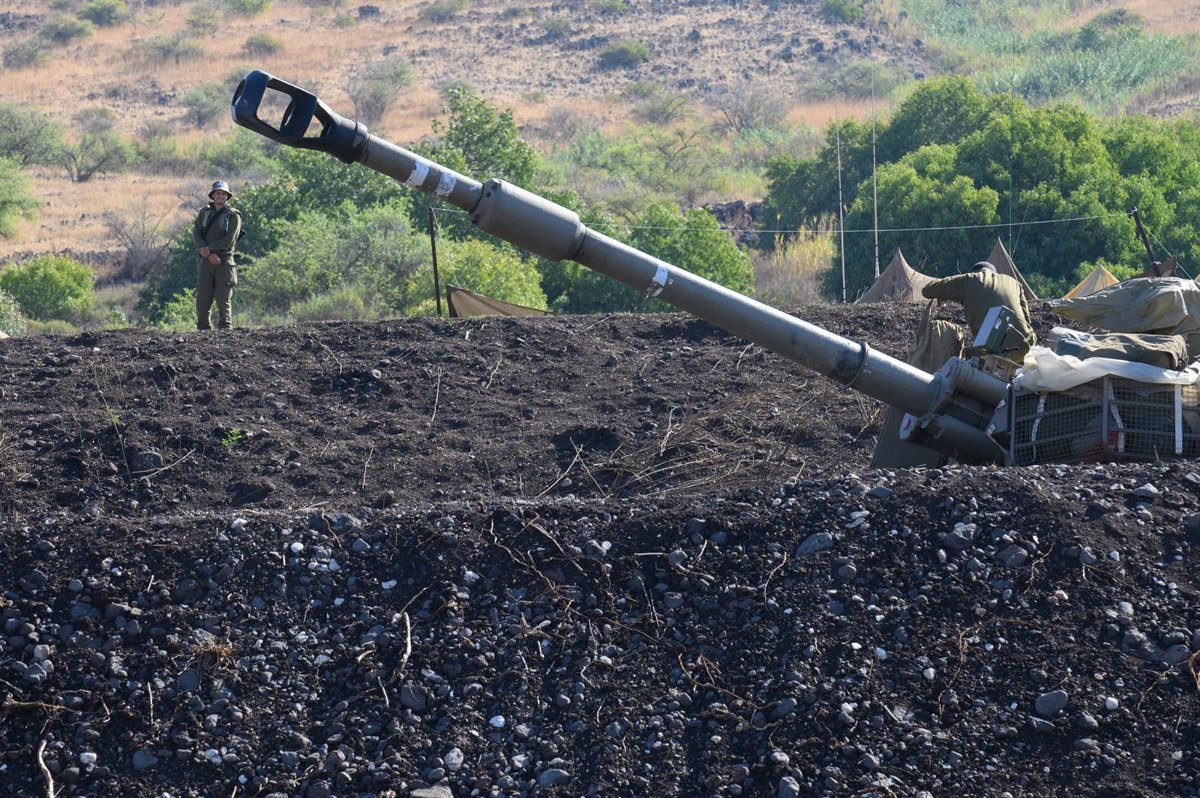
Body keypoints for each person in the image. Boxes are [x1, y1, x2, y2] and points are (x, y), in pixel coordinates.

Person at [921, 261, 1036, 362]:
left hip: (991, 354)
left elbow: (927, 291)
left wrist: (947, 295)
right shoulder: (1014, 283)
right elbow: (1027, 320)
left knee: (967, 362)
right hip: (1026, 346)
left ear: (976, 272)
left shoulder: (969, 280)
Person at [192, 180, 242, 330]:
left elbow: (230, 239)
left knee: (223, 298)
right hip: (206, 260)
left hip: (225, 261)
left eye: (223, 193)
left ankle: (225, 330)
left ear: (227, 196)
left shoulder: (233, 215)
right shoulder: (204, 212)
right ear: (213, 195)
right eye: (218, 193)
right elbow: (196, 232)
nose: (220, 196)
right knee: (203, 298)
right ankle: (203, 329)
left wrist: (210, 250)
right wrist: (205, 251)